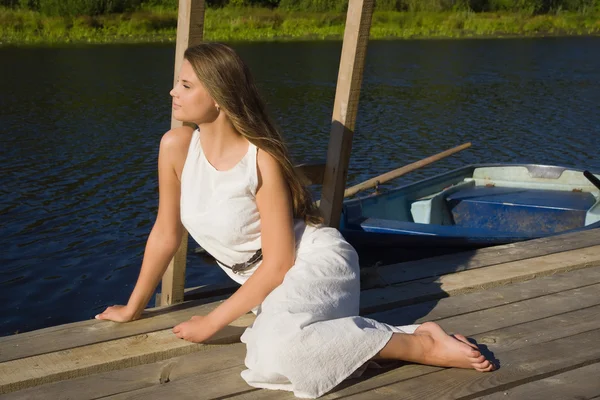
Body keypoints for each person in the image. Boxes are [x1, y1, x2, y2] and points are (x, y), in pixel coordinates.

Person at [95, 43, 494, 398]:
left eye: (185, 85)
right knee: (273, 353)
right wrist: (133, 308)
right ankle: (300, 331)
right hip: (266, 284)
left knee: (273, 355)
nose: (172, 93)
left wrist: (214, 321)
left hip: (313, 263)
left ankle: (416, 343)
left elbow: (280, 262)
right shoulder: (176, 147)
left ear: (218, 97)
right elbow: (166, 232)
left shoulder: (260, 159)